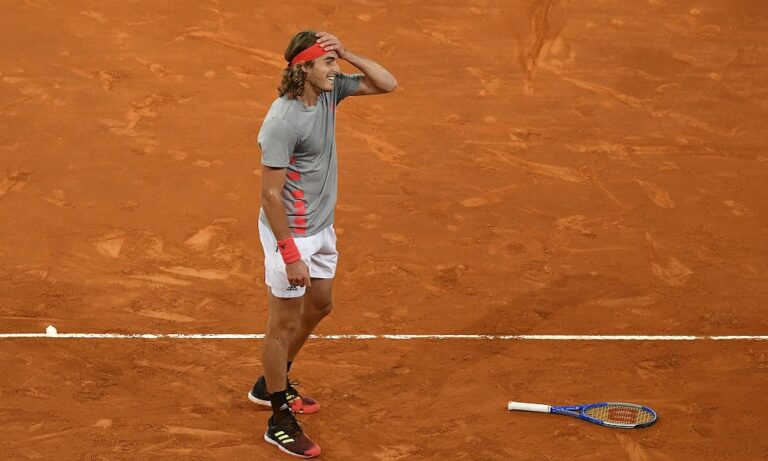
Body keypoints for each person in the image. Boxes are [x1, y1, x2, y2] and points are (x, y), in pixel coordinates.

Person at [250, 30, 397, 458]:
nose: (336, 69)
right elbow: (270, 195)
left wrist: (347, 52)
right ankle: (278, 419)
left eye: (335, 62)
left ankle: (269, 384)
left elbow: (387, 83)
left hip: (321, 226)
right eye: (328, 62)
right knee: (281, 326)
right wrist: (289, 254)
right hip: (291, 233)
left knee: (320, 305)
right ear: (304, 69)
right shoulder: (282, 121)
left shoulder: (329, 94)